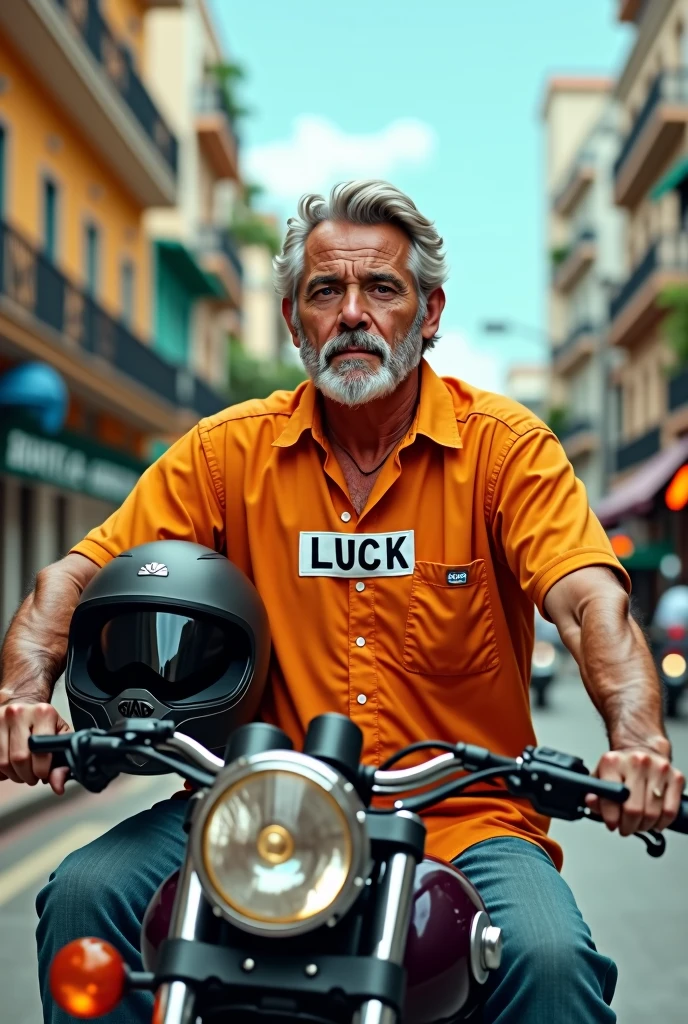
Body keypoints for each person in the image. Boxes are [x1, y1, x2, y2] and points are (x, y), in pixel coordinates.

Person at [0, 180, 684, 1024]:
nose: (352, 313)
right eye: (326, 291)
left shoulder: (505, 451)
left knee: (550, 961)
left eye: (382, 289)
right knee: (83, 895)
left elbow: (588, 601)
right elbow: (70, 579)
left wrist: (638, 742)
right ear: (294, 321)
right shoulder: (226, 455)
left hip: (463, 820)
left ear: (428, 314)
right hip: (253, 812)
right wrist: (24, 698)